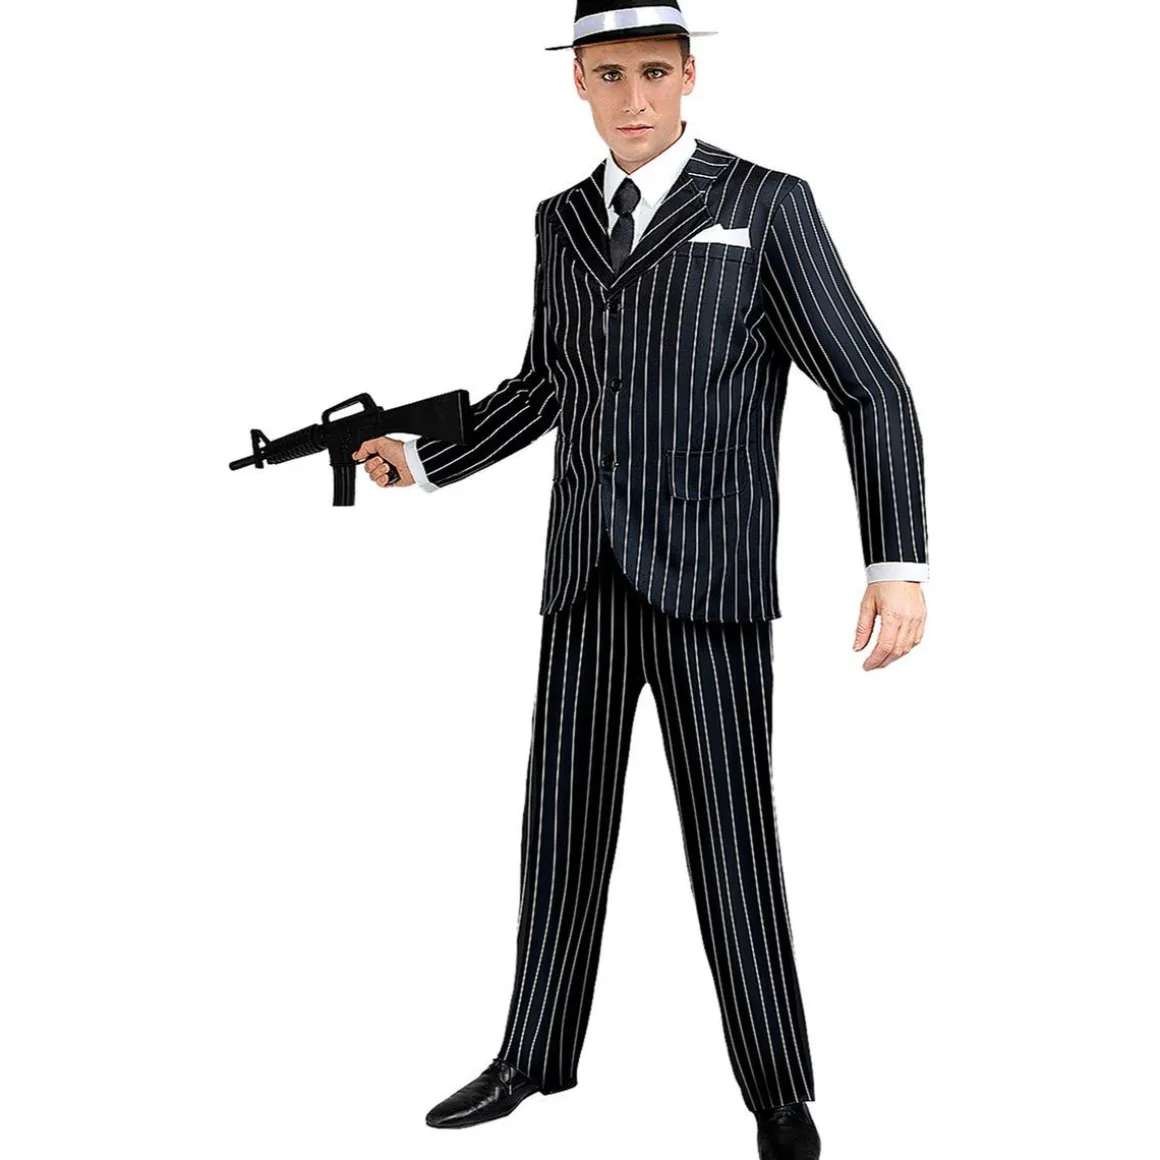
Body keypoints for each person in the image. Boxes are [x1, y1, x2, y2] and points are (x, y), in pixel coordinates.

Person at [355, 2, 928, 1155]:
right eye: (608, 73)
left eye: (653, 72)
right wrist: (423, 459)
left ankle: (776, 1094)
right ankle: (531, 1055)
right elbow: (546, 383)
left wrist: (894, 561)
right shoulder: (559, 220)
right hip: (583, 573)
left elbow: (867, 383)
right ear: (576, 81)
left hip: (711, 578)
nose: (633, 98)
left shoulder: (764, 203)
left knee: (731, 841)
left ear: (687, 76)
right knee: (557, 829)